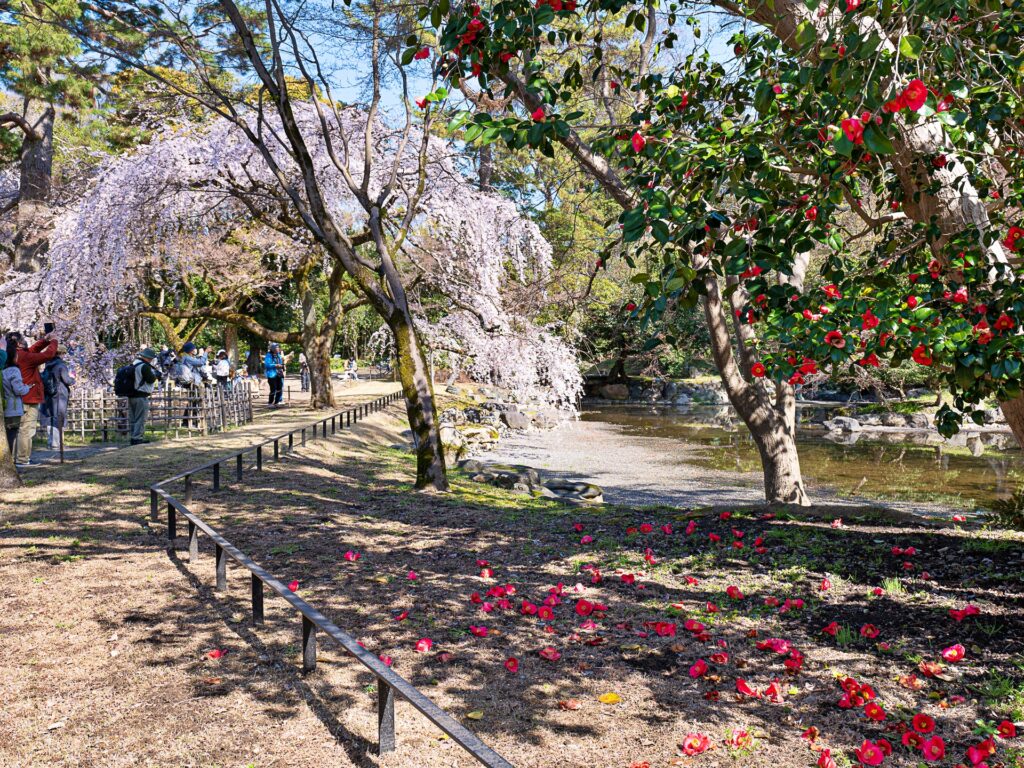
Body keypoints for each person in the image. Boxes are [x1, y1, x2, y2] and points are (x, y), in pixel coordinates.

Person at [11, 330, 57, 465]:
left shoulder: (15, 355)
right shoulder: (25, 357)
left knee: (16, 430)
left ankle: (16, 458)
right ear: (19, 344)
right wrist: (54, 341)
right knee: (27, 430)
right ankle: (22, 459)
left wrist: (45, 340)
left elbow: (32, 350)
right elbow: (48, 355)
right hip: (29, 398)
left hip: (16, 398)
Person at [39, 345, 75, 450]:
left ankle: (51, 442)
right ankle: (56, 443)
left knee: (50, 417)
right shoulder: (61, 365)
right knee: (58, 417)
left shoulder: (48, 364)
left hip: (48, 394)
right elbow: (67, 380)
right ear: (61, 353)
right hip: (59, 395)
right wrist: (73, 379)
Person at [3, 341, 32, 458]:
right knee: (11, 435)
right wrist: (27, 387)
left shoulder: (2, 370)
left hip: (4, 406)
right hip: (13, 408)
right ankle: (10, 461)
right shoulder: (14, 371)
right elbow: (18, 389)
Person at [126, 348, 159, 445]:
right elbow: (150, 379)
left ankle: (133, 437)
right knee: (141, 418)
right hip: (141, 395)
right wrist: (155, 375)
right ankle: (137, 438)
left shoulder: (133, 364)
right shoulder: (144, 366)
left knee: (133, 418)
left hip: (131, 394)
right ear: (148, 358)